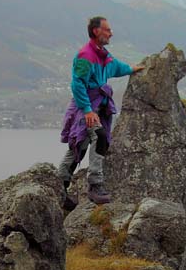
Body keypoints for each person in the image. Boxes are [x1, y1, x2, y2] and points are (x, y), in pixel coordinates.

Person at [59, 16, 143, 207]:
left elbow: (115, 66)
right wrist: (88, 111)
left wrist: (131, 69)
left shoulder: (102, 54)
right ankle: (95, 184)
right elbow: (77, 84)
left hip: (96, 106)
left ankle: (59, 187)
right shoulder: (86, 56)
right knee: (100, 136)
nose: (111, 33)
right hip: (85, 108)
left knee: (78, 147)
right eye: (107, 30)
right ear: (96, 31)